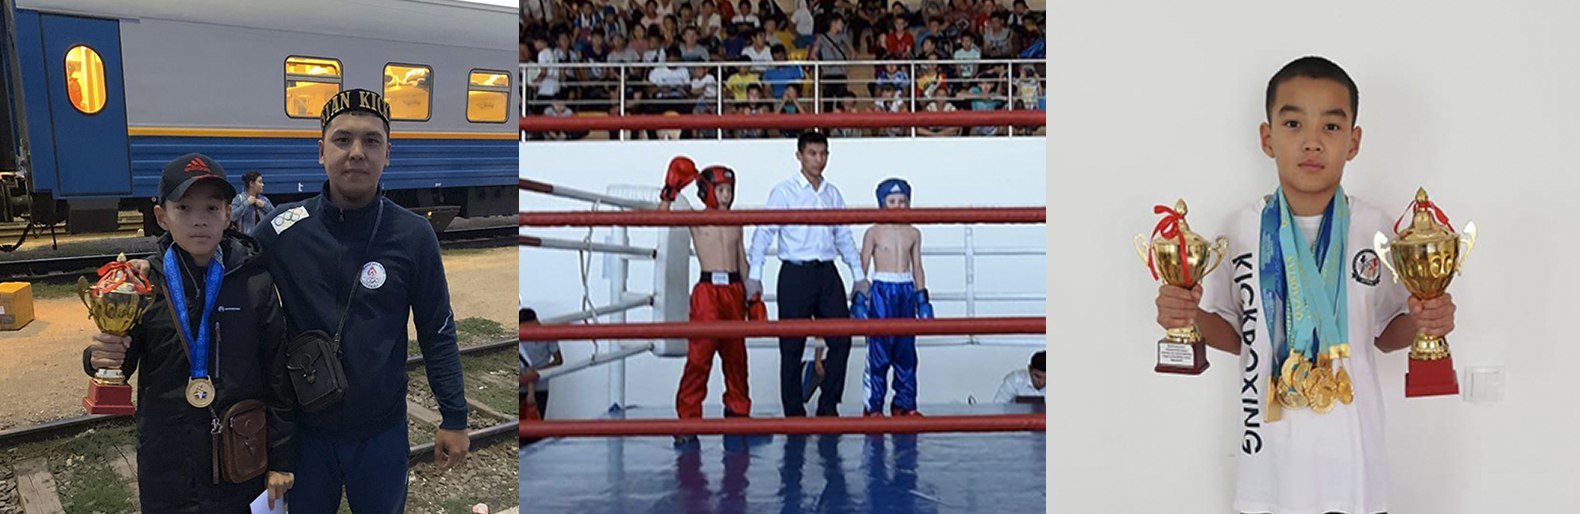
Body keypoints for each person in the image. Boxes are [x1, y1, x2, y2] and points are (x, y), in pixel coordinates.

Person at [1152, 56, 1458, 514]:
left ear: (1353, 142)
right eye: (1293, 123)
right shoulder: (1240, 230)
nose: (1312, 142)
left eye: (1331, 127)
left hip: (1355, 469)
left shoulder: (1375, 230)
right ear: (1267, 137)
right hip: (1267, 467)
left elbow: (1384, 333)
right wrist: (1187, 315)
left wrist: (1426, 319)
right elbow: (1237, 334)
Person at [258, 89, 471, 511]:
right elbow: (222, 269)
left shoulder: (413, 235)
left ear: (387, 154)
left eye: (371, 141)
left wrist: (455, 416)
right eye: (342, 140)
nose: (356, 152)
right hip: (305, 436)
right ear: (321, 151)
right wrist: (148, 270)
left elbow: (437, 331)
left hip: (381, 435)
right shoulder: (282, 231)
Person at [84, 154, 296, 511]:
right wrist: (100, 357)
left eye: (212, 208)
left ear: (228, 214)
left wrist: (281, 459)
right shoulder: (144, 285)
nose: (199, 220)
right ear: (161, 216)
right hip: (168, 464)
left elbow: (277, 375)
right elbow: (122, 362)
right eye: (184, 208)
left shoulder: (255, 281)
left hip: (239, 461)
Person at [747, 131, 868, 417]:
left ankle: (828, 406)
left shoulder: (832, 193)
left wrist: (859, 275)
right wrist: (755, 274)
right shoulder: (784, 192)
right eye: (812, 153)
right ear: (799, 156)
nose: (818, 159)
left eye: (823, 153)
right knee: (791, 345)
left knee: (842, 338)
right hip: (795, 274)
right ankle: (793, 412)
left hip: (827, 272)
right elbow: (764, 233)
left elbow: (843, 235)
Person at [659, 157, 763, 441]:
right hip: (707, 293)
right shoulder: (696, 217)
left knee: (737, 357)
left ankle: (738, 413)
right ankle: (688, 421)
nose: (726, 196)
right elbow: (661, 218)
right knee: (699, 358)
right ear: (707, 191)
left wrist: (752, 293)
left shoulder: (736, 222)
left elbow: (740, 257)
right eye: (721, 190)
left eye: (729, 190)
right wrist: (669, 191)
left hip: (734, 290)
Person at [855, 178, 932, 416]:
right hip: (881, 290)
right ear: (882, 203)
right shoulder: (874, 232)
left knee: (906, 351)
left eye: (902, 201)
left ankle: (904, 405)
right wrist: (859, 298)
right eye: (892, 201)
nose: (898, 206)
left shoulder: (913, 233)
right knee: (878, 351)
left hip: (906, 290)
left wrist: (922, 299)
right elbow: (862, 266)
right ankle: (873, 407)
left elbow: (917, 267)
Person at [518, 307, 562, 417]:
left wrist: (537, 371)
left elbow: (558, 360)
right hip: (521, 384)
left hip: (538, 384)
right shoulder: (517, 335)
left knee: (536, 419)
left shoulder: (547, 334)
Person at [231, 170, 275, 235]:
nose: (262, 185)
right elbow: (232, 216)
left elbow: (275, 216)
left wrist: (264, 206)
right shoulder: (239, 199)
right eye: (259, 182)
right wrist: (247, 203)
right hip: (245, 238)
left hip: (262, 237)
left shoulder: (264, 200)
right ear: (251, 183)